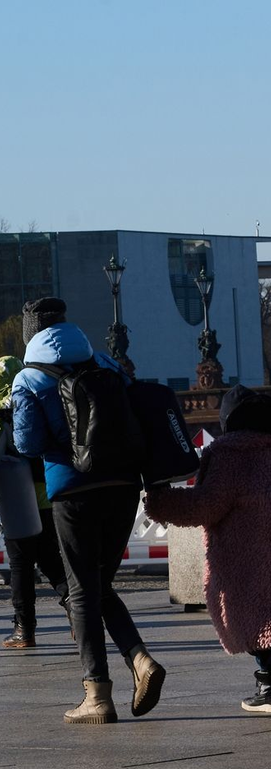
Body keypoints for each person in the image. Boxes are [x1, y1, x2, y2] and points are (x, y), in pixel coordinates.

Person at [12, 296, 165, 724]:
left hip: (73, 490)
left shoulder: (29, 378)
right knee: (98, 583)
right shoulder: (103, 362)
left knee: (82, 589)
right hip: (122, 486)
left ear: (31, 334)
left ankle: (97, 694)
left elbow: (28, 444)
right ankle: (139, 661)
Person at [144, 386, 271, 714]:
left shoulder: (231, 455)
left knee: (247, 615)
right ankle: (269, 685)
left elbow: (205, 505)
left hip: (249, 550)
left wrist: (160, 502)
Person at [0, 354, 70, 649]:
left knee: (20, 563)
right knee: (50, 557)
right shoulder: (35, 397)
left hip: (17, 497)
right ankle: (75, 610)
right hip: (46, 490)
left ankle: (23, 629)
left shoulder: (2, 411)